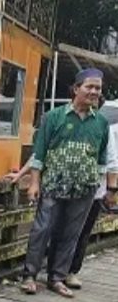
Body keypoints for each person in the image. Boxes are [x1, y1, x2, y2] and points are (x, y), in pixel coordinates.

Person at [7, 95, 118, 290]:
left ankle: (62, 274)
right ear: (76, 91)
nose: (93, 96)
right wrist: (27, 177)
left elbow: (108, 160)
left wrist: (110, 189)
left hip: (87, 188)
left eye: (97, 91)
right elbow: (40, 152)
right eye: (90, 88)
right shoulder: (56, 117)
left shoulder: (101, 124)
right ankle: (30, 274)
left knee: (75, 233)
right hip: (54, 184)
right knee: (43, 229)